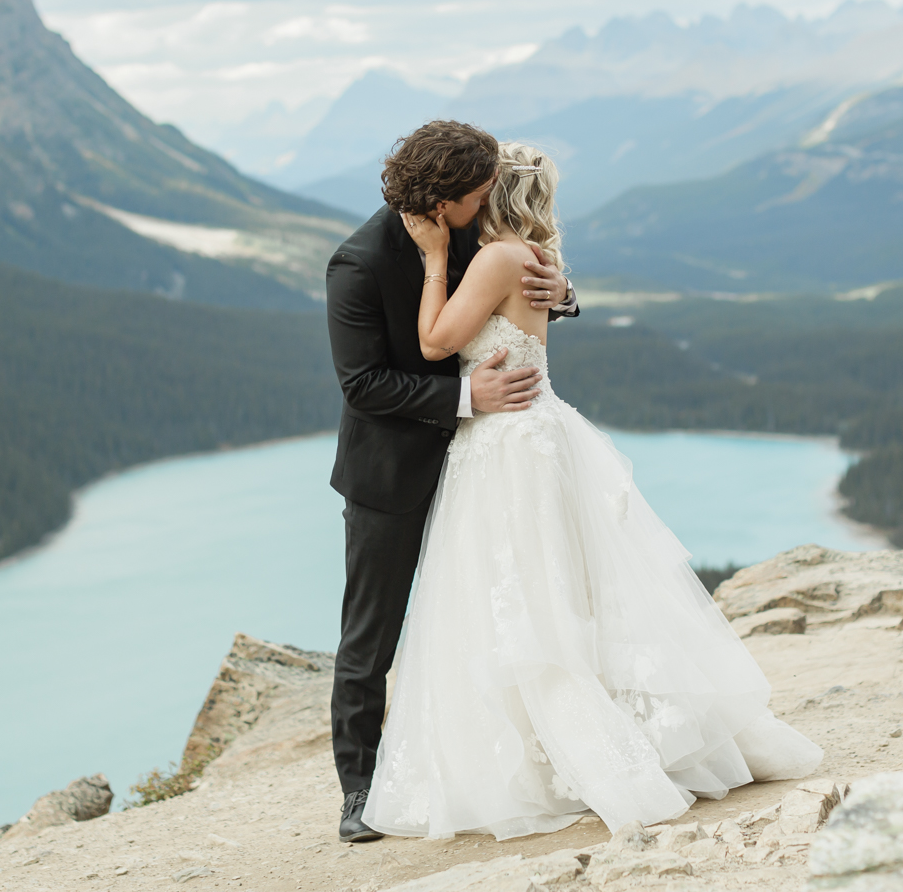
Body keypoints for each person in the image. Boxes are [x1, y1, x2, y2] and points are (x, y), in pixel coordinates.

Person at [362, 140, 823, 841]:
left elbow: (434, 343)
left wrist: (430, 260)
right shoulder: (531, 256)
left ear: (492, 194)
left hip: (509, 448)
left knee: (529, 603)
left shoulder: (494, 258)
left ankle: (585, 759)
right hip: (534, 436)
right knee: (555, 596)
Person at [325, 120, 579, 844]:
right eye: (474, 195)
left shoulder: (475, 232)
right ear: (441, 203)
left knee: (493, 616)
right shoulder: (358, 264)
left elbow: (519, 288)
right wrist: (469, 401)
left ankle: (482, 766)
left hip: (489, 465)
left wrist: (561, 290)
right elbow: (364, 383)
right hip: (395, 474)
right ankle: (359, 790)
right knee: (371, 638)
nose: (486, 201)